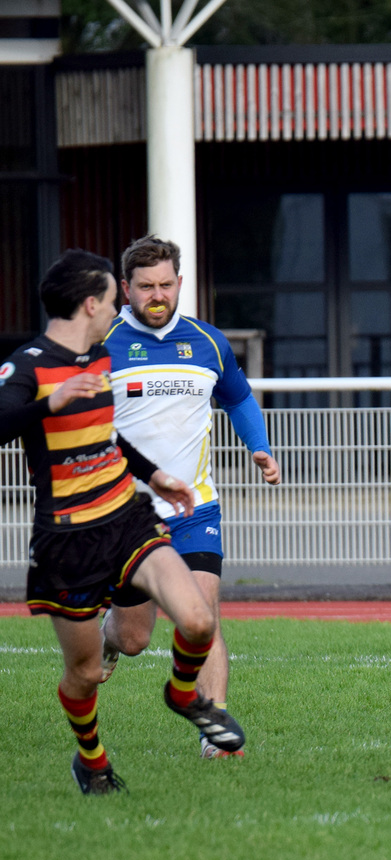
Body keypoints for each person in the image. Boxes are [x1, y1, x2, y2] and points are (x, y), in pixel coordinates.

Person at [0, 250, 245, 794]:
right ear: (91, 303)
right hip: (67, 537)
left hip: (128, 518)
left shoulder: (101, 358)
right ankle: (91, 759)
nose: (121, 310)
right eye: (114, 300)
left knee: (198, 619)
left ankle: (184, 694)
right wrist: (49, 405)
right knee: (87, 673)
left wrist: (154, 476)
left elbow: (109, 438)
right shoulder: (30, 365)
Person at [98, 235, 280, 757]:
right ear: (126, 289)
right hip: (126, 514)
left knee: (203, 616)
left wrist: (260, 447)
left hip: (194, 508)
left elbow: (238, 398)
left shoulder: (207, 342)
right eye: (146, 287)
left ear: (180, 283)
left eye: (166, 285)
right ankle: (110, 637)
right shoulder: (102, 344)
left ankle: (214, 732)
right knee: (135, 639)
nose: (157, 295)